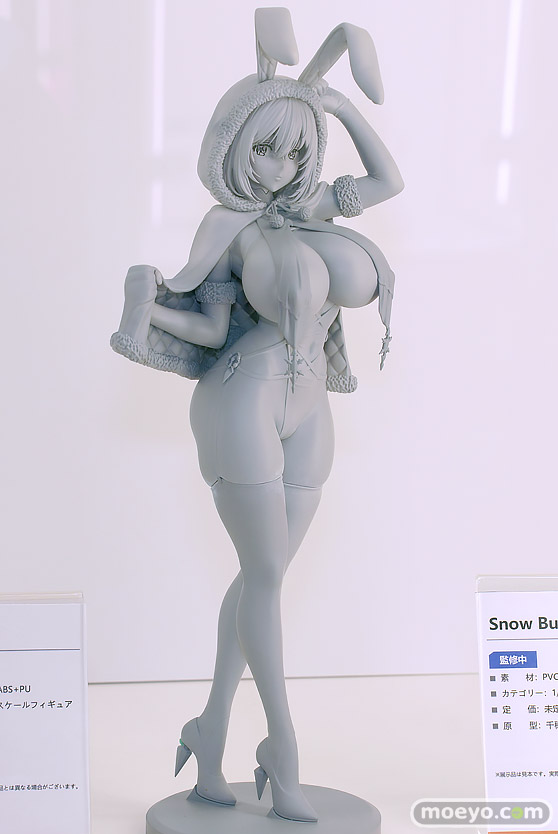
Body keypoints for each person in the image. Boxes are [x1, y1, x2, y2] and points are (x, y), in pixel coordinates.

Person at [111, 9, 403, 823]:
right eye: (268, 147)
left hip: (311, 409)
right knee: (267, 579)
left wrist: (337, 107)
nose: (281, 165)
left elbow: (388, 182)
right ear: (235, 142)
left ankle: (209, 728)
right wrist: (145, 301)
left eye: (296, 152)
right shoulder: (226, 224)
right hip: (243, 392)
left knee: (258, 580)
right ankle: (282, 747)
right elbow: (210, 327)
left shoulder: (317, 210)